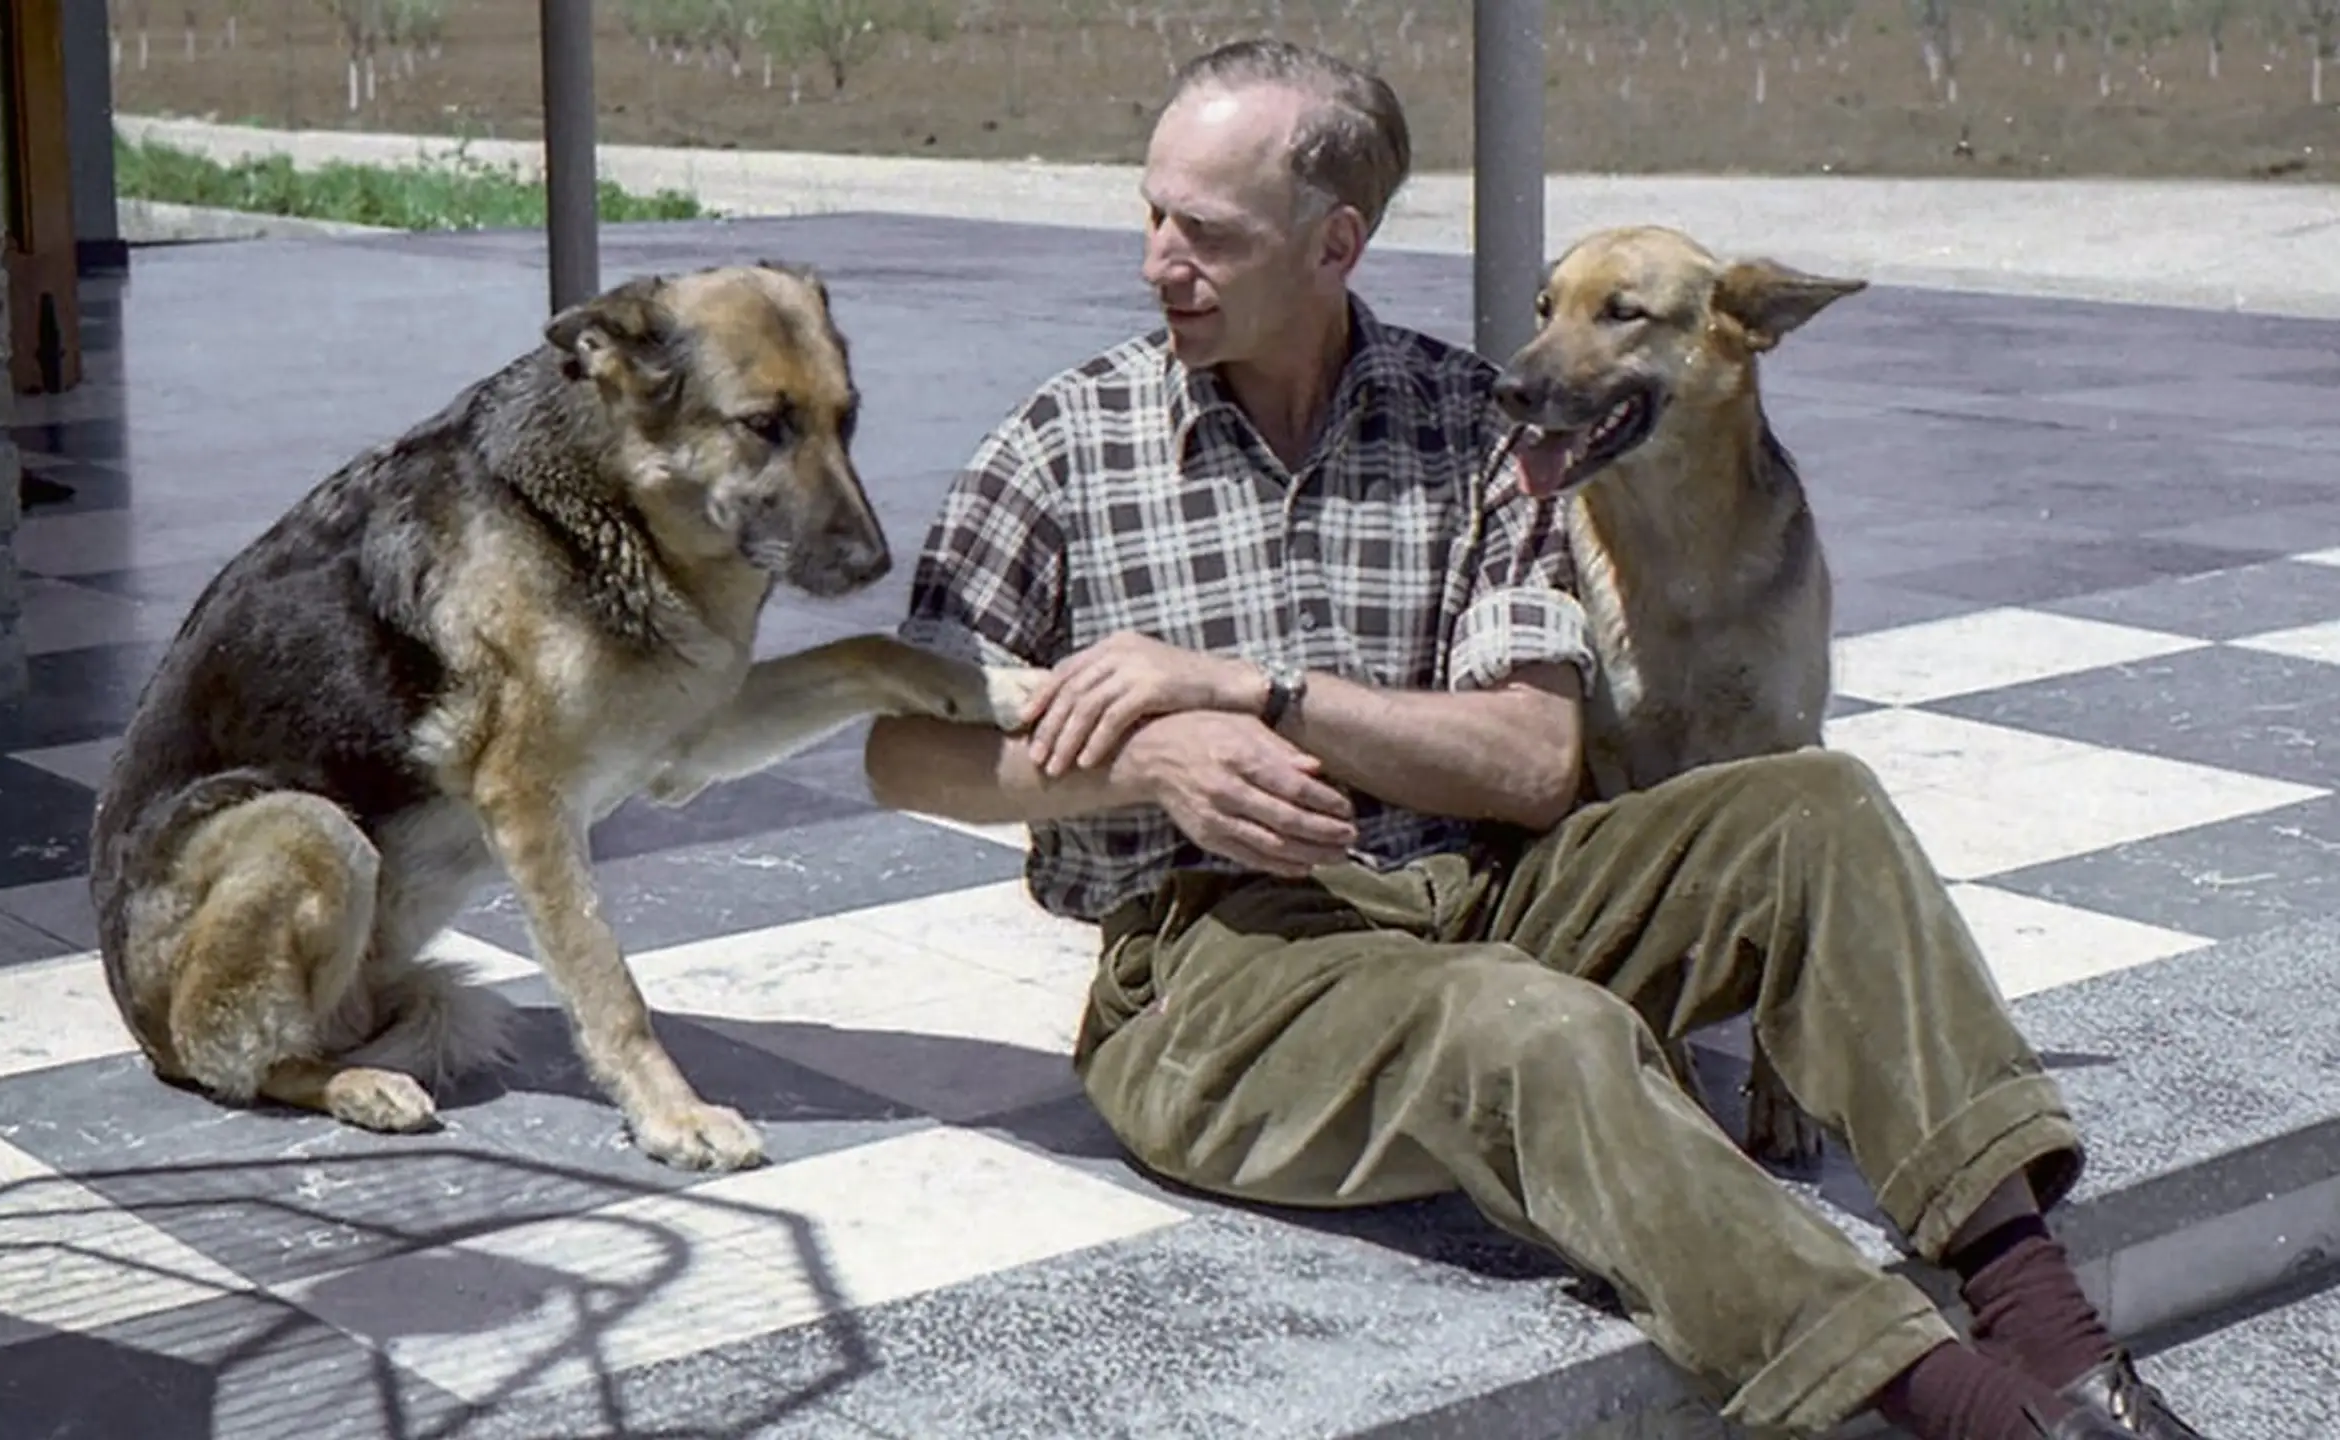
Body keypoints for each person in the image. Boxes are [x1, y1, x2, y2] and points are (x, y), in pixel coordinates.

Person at [863, 37, 2212, 1440]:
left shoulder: (1475, 429)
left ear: (1335, 244)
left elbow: (1527, 763)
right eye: (1152, 214)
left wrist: (1248, 690)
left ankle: (2055, 1341)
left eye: (1205, 231)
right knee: (1543, 1033)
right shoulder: (1062, 445)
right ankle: (1978, 1419)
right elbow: (901, 748)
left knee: (1818, 803)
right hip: (1218, 969)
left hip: (1484, 898)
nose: (1158, 259)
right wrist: (1139, 763)